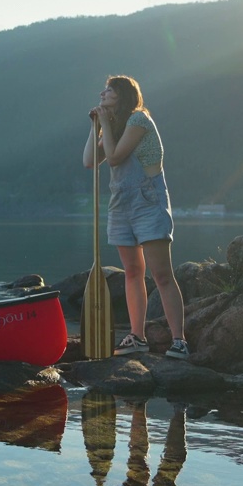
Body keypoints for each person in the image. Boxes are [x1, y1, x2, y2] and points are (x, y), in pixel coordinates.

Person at [82, 75, 189, 359]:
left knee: (162, 275)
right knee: (132, 272)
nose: (102, 93)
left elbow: (115, 158)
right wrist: (96, 127)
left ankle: (179, 340)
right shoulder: (114, 126)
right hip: (121, 204)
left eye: (109, 90)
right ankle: (137, 336)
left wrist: (104, 124)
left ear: (123, 95)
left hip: (147, 201)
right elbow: (90, 161)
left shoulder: (139, 121)